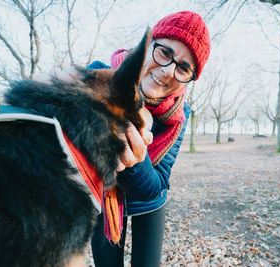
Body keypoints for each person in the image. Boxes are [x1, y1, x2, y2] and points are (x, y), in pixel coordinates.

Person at [88, 10, 211, 267]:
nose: (167, 72)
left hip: (150, 199)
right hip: (106, 195)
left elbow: (158, 182)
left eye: (183, 68)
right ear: (148, 44)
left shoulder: (180, 114)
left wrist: (135, 161)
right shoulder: (99, 76)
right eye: (165, 52)